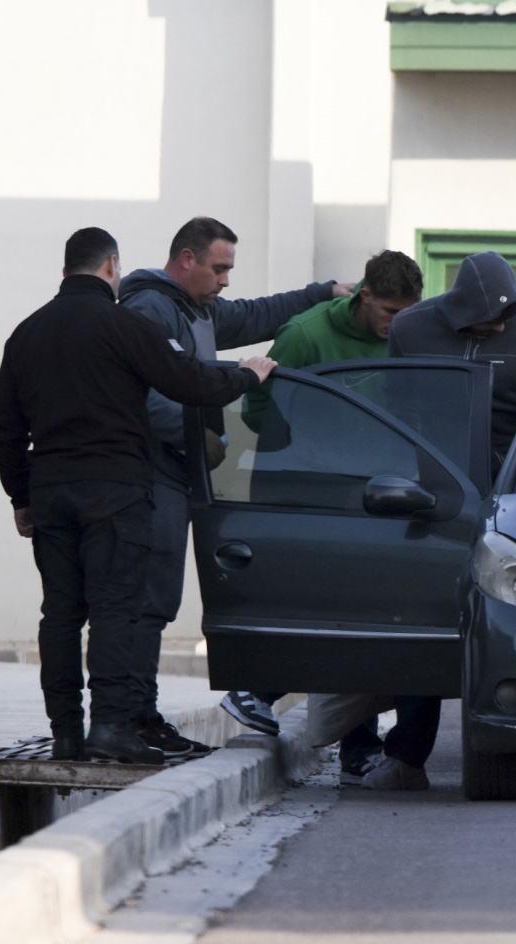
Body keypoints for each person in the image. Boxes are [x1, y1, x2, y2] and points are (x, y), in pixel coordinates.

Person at [0, 228, 276, 764]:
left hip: (51, 492)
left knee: (60, 615)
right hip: (116, 493)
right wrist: (246, 378)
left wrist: (21, 498)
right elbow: (189, 383)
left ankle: (66, 732)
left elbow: (1, 435)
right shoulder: (124, 325)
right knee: (115, 610)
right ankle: (111, 726)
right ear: (111, 267)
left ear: (66, 268)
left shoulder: (26, 332)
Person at [118, 217, 352, 756]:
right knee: (146, 602)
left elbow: (254, 314)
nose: (226, 280)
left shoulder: (195, 309)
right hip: (152, 474)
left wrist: (322, 293)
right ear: (186, 260)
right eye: (219, 268)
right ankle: (131, 718)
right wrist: (197, 436)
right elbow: (144, 395)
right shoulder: (152, 309)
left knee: (158, 601)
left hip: (176, 474)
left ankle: (140, 716)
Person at [217, 249, 423, 782]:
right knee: (324, 606)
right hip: (314, 492)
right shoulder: (305, 335)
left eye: (406, 313)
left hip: (381, 494)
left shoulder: (409, 338)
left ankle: (358, 748)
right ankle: (260, 687)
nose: (397, 324)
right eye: (389, 312)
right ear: (364, 296)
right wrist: (305, 458)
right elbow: (260, 408)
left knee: (370, 616)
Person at [364, 250, 516, 791]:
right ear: (461, 309)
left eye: (509, 315)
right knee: (422, 621)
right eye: (492, 317)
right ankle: (405, 757)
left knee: (509, 622)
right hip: (432, 503)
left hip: (507, 507)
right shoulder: (411, 329)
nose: (501, 327)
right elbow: (398, 408)